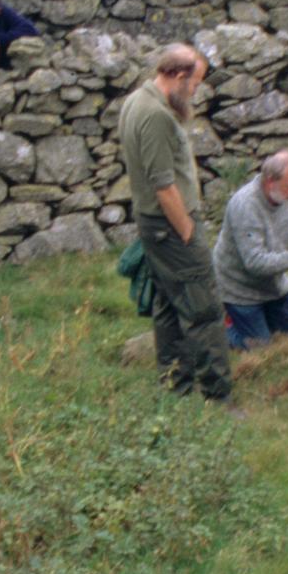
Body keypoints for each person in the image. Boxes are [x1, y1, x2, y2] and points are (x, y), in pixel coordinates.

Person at [118, 44, 232, 406]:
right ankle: (218, 396)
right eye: (195, 83)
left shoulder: (138, 100)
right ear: (179, 76)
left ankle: (174, 386)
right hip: (170, 225)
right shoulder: (155, 115)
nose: (196, 91)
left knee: (168, 306)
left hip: (157, 225)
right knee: (205, 308)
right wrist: (186, 231)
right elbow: (163, 184)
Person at [214, 150, 288, 347]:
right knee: (259, 346)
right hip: (239, 288)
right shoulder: (245, 205)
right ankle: (217, 326)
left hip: (274, 284)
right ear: (270, 182)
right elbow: (255, 262)